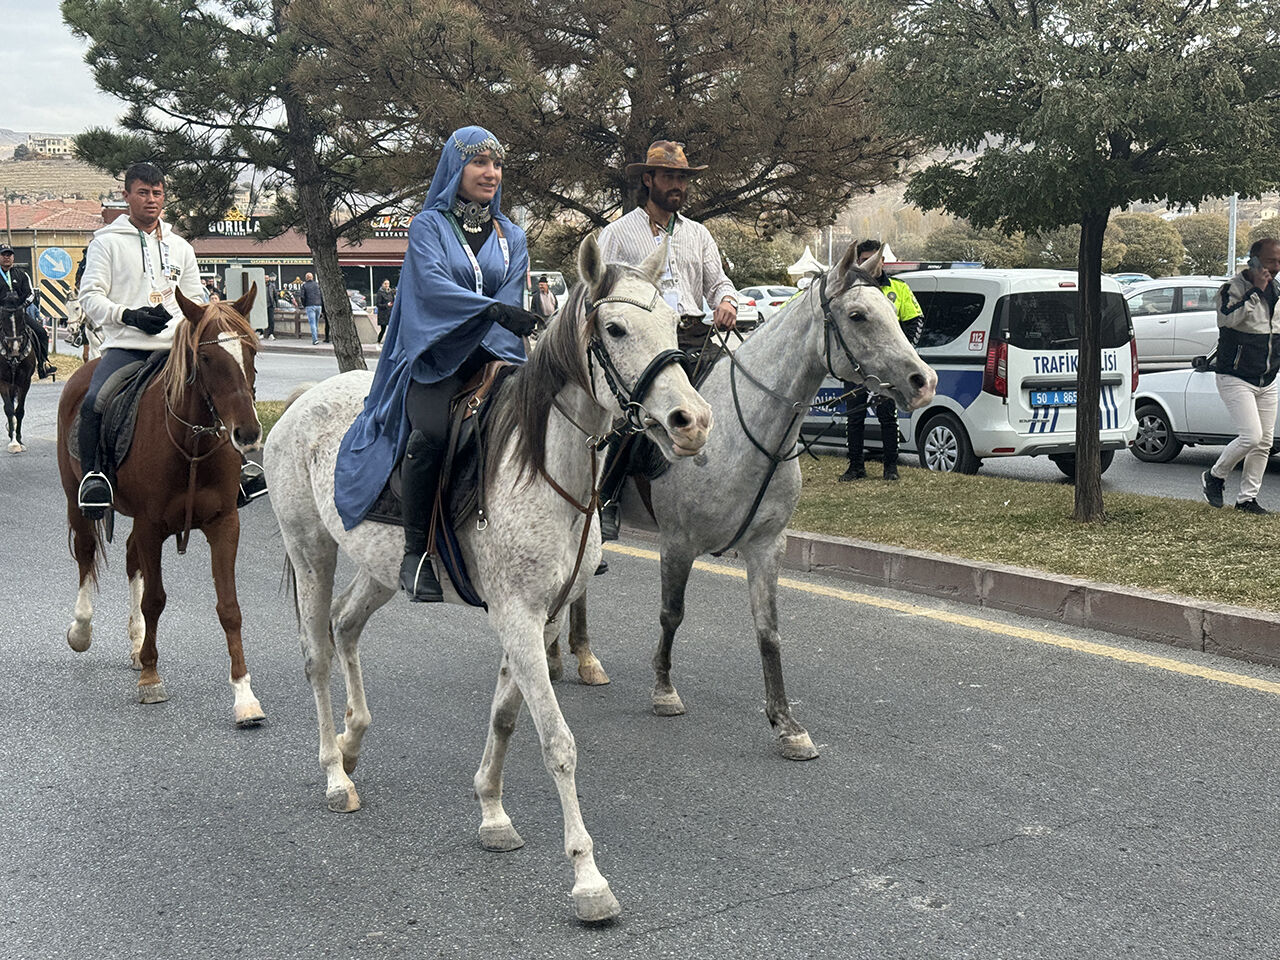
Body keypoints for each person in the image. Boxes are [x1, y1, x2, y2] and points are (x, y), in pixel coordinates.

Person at [334, 125, 539, 602]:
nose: (490, 173)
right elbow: (430, 287)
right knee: (432, 437)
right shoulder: (429, 226)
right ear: (456, 168)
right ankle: (415, 554)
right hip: (436, 357)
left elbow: (509, 297)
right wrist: (487, 310)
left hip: (496, 356)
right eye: (479, 162)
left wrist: (500, 326)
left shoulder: (513, 235)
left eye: (496, 164)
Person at [76, 161, 266, 516]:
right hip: (126, 346)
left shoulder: (181, 246)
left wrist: (212, 316)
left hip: (177, 348)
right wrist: (126, 315)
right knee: (94, 402)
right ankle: (95, 477)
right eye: (143, 193)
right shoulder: (105, 244)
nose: (151, 200)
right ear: (127, 196)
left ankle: (238, 471)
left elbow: (194, 299)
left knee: (226, 387)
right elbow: (90, 297)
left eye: (157, 193)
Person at [595, 139, 738, 541]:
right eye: (669, 177)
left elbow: (718, 283)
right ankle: (606, 498)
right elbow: (600, 292)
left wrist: (725, 300)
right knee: (631, 412)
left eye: (682, 178)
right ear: (648, 179)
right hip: (646, 342)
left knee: (739, 391)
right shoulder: (618, 234)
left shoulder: (699, 234)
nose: (677, 185)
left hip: (695, 335)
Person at [1201, 236, 1280, 514]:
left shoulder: (1278, 291)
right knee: (1251, 436)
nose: (1276, 266)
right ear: (1254, 260)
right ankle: (1215, 475)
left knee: (1265, 442)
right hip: (1235, 376)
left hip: (1267, 378)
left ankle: (1247, 499)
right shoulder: (1231, 288)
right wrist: (1255, 290)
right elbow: (1227, 319)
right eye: (1271, 260)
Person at [838, 239, 924, 482]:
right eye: (863, 260)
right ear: (857, 261)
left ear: (882, 261)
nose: (869, 264)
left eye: (873, 259)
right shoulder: (849, 289)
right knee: (854, 416)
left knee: (887, 415)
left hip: (888, 368)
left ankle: (891, 468)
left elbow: (915, 321)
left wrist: (900, 356)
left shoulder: (899, 288)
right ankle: (855, 466)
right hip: (857, 366)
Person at [0, 244, 57, 380]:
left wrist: (23, 306)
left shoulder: (22, 275)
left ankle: (43, 364)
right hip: (1, 314)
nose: (6, 257)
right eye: (3, 255)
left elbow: (31, 294)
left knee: (41, 333)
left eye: (9, 255)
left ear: (13, 257)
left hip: (19, 314)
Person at [300, 271, 323, 344]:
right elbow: (321, 295)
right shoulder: (317, 285)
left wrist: (304, 305)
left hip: (310, 305)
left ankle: (315, 339)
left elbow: (302, 296)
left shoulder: (304, 285)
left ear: (306, 278)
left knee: (312, 323)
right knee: (316, 322)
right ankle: (316, 337)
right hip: (318, 305)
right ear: (312, 277)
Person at [375, 279, 395, 343]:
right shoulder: (380, 293)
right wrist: (386, 305)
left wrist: (392, 304)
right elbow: (378, 304)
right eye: (385, 284)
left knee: (392, 329)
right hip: (383, 314)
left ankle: (390, 342)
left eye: (388, 284)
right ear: (382, 284)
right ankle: (378, 341)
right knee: (383, 329)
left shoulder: (391, 292)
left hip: (390, 313)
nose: (387, 285)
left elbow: (393, 300)